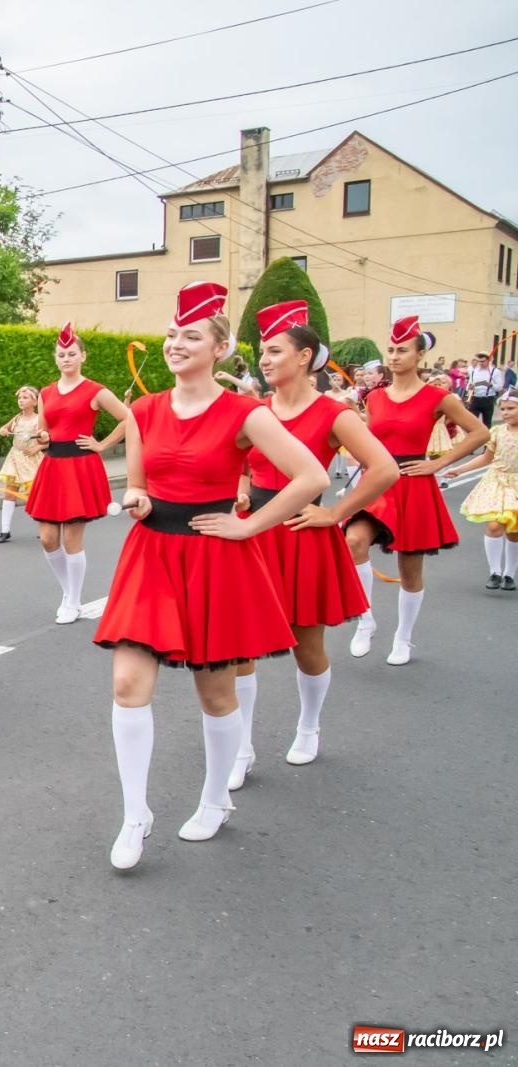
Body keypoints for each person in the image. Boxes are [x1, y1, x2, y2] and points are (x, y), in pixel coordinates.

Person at [92, 282, 329, 871]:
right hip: (150, 555)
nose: (176, 344)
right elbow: (139, 482)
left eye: (191, 336)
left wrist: (250, 528)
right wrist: (138, 498)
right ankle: (134, 815)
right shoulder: (144, 411)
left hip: (214, 557)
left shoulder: (244, 412)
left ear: (219, 348)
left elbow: (311, 476)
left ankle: (214, 797)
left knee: (215, 692)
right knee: (127, 684)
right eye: (172, 334)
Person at [228, 302, 398, 785]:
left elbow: (383, 468)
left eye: (275, 350)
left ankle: (308, 726)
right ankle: (240, 748)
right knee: (241, 647)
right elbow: (239, 463)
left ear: (305, 357)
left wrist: (335, 513)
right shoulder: (254, 412)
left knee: (307, 645)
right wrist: (241, 488)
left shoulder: (332, 412)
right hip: (255, 529)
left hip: (302, 534)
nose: (264, 359)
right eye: (263, 351)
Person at [345, 316, 489, 665]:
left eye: (402, 350)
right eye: (390, 350)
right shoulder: (375, 398)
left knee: (410, 569)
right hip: (378, 480)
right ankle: (366, 619)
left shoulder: (439, 396)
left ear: (419, 356)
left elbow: (480, 433)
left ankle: (404, 637)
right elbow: (370, 437)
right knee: (354, 541)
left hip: (413, 482)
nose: (393, 356)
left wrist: (436, 464)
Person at [25, 322, 129, 624]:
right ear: (55, 358)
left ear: (83, 356)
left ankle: (73, 599)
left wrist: (102, 445)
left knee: (71, 539)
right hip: (53, 466)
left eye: (71, 353)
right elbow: (44, 429)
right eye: (61, 354)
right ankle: (68, 591)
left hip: (80, 468)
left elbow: (129, 419)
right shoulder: (45, 392)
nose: (66, 358)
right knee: (47, 538)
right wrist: (42, 439)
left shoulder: (95, 390)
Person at [445, 388, 518, 590]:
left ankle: (509, 574)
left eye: (511, 408)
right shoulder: (497, 432)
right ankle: (495, 571)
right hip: (497, 481)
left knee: (514, 531)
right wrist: (460, 469)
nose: (506, 412)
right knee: (495, 525)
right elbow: (486, 458)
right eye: (503, 409)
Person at [0, 385, 45, 543]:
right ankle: (5, 530)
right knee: (9, 492)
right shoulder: (17, 418)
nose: (21, 401)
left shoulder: (39, 420)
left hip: (31, 460)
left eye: (25, 398)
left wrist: (38, 446)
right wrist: (3, 430)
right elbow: (4, 428)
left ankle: (44, 527)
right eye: (20, 398)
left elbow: (50, 438)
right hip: (14, 458)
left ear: (35, 402)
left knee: (35, 494)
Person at [465, 349, 502, 428]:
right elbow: (468, 385)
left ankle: (487, 439)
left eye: (483, 361)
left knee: (487, 423)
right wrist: (469, 387)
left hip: (488, 399)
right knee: (472, 422)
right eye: (479, 361)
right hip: (475, 399)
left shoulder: (495, 372)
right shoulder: (474, 371)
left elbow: (499, 387)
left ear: (488, 360)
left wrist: (491, 385)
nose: (481, 363)